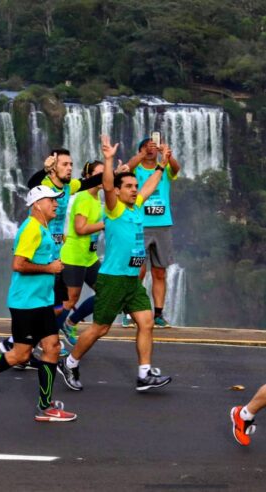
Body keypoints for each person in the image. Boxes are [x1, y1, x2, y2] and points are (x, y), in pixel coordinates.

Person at [57, 135, 173, 392]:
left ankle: (144, 374)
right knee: (100, 328)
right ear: (118, 192)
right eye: (129, 186)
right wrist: (108, 160)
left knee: (146, 322)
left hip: (131, 280)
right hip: (113, 279)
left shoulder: (136, 206)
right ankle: (71, 362)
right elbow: (108, 185)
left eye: (134, 186)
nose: (134, 189)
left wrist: (162, 166)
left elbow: (150, 185)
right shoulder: (114, 208)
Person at [0, 185, 77, 422]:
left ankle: (45, 406)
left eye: (56, 200)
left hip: (41, 301)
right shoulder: (31, 228)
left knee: (52, 347)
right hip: (26, 303)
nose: (55, 204)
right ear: (37, 205)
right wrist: (49, 268)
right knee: (20, 355)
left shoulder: (42, 228)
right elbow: (18, 264)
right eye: (50, 200)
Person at [0, 149, 102, 353]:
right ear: (53, 167)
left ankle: (38, 341)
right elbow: (31, 185)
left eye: (71, 164)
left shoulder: (70, 186)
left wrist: (117, 171)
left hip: (56, 254)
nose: (70, 167)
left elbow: (90, 182)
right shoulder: (44, 186)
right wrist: (44, 170)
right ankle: (26, 343)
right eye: (64, 164)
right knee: (51, 304)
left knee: (59, 304)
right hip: (42, 255)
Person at [125, 137, 182, 328]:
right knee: (137, 270)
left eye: (153, 146)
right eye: (145, 147)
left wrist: (167, 154)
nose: (150, 149)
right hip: (140, 224)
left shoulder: (164, 168)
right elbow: (126, 168)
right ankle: (129, 311)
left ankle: (158, 313)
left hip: (162, 225)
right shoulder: (136, 170)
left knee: (159, 272)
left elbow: (176, 169)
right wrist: (141, 154)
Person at [58, 160, 105, 346]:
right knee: (69, 300)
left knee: (105, 292)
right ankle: (49, 339)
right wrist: (104, 224)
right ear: (88, 177)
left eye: (105, 173)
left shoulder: (97, 198)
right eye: (98, 174)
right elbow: (80, 228)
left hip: (89, 257)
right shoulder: (84, 197)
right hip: (74, 255)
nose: (103, 177)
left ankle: (70, 322)